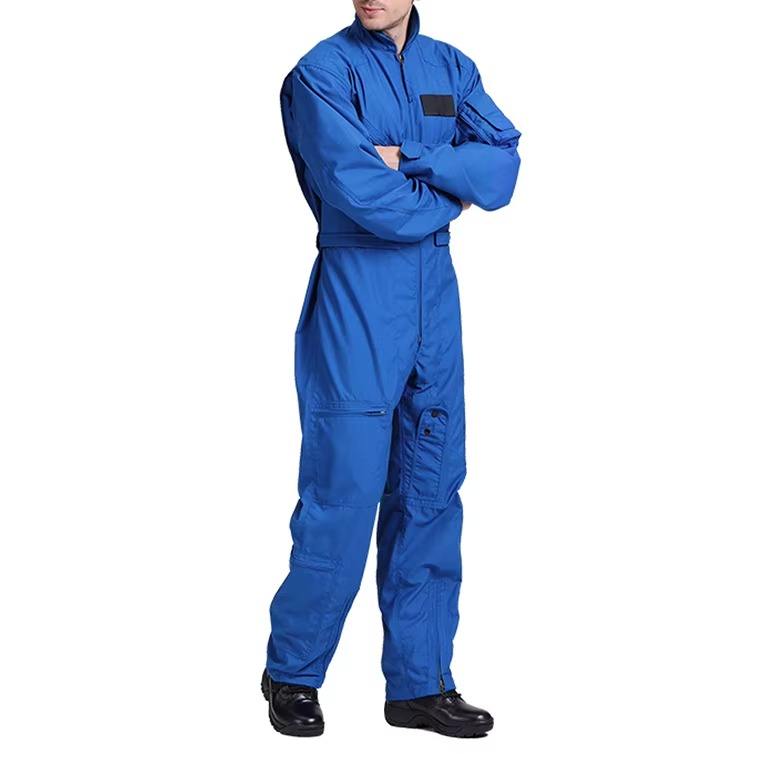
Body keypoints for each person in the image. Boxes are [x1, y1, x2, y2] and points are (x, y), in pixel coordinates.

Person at [262, 0, 521, 737]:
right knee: (343, 493)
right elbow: (363, 194)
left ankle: (419, 684)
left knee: (431, 489)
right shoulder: (322, 73)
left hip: (435, 303)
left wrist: (411, 158)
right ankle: (293, 672)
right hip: (358, 295)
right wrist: (453, 191)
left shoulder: (451, 69)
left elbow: (502, 169)